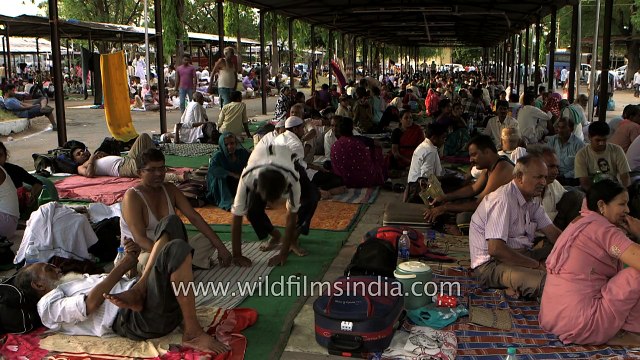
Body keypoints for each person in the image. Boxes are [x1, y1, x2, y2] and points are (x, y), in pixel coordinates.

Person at [15, 237, 229, 353]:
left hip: (148, 303)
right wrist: (124, 265)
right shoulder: (46, 305)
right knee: (175, 248)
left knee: (171, 224)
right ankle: (192, 332)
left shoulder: (72, 281)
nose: (55, 267)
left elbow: (114, 286)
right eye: (47, 268)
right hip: (136, 320)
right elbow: (89, 305)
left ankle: (139, 289)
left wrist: (131, 264)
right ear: (38, 285)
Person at [539, 179, 640, 347]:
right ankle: (628, 332)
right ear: (601, 205)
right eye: (622, 204)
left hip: (554, 319)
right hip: (583, 324)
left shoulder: (581, 220)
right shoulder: (603, 230)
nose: (627, 210)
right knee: (636, 273)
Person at [120, 148, 232, 270]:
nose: (158, 174)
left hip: (171, 247)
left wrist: (221, 248)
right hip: (144, 251)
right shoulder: (132, 196)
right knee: (148, 261)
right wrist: (169, 255)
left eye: (161, 168)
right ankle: (182, 265)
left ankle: (177, 266)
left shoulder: (170, 189)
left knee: (209, 238)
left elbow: (194, 218)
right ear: (139, 172)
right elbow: (140, 239)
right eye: (152, 170)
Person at [469, 155, 562, 299]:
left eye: (544, 177)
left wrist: (579, 252)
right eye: (538, 177)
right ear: (519, 177)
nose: (543, 182)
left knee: (560, 245)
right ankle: (519, 281)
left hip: (519, 254)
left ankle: (520, 281)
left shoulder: (532, 199)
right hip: (491, 265)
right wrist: (535, 265)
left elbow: (554, 234)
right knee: (548, 283)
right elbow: (495, 249)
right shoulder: (502, 199)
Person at [230, 142, 319, 265]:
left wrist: (282, 254)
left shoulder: (293, 178)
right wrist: (237, 255)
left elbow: (291, 216)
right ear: (256, 188)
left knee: (311, 199)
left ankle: (292, 240)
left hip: (289, 161)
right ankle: (276, 235)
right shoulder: (247, 177)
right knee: (252, 211)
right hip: (260, 163)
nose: (272, 205)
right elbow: (236, 215)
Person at [424, 135, 515, 224]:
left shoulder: (502, 167)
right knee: (453, 202)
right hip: (496, 209)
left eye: (474, 155)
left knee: (463, 218)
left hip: (510, 218)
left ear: (487, 152)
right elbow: (473, 189)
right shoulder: (490, 167)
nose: (471, 160)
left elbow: (480, 203)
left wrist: (445, 207)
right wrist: (445, 197)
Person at [330, 116, 386, 188]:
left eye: (336, 126)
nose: (334, 128)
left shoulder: (335, 146)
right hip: (364, 180)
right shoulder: (358, 144)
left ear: (340, 128)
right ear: (352, 128)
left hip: (344, 181)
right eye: (332, 125)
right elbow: (367, 162)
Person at [575, 121, 630, 191]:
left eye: (604, 140)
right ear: (589, 137)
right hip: (592, 191)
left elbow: (625, 176)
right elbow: (584, 182)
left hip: (613, 189)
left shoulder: (617, 150)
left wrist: (625, 191)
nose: (601, 143)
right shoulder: (581, 155)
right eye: (598, 140)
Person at [206, 132, 249, 211]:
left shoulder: (242, 153)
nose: (230, 146)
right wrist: (231, 174)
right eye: (226, 145)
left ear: (236, 143)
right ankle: (228, 203)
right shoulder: (218, 156)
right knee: (219, 177)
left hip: (238, 182)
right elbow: (213, 170)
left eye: (232, 143)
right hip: (221, 187)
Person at [405, 123, 448, 203]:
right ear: (434, 138)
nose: (444, 141)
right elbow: (425, 176)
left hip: (413, 184)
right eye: (443, 138)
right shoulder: (430, 151)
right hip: (417, 188)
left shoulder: (424, 146)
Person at [0, 142, 43, 213]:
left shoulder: (15, 170)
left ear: (5, 156)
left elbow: (38, 183)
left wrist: (31, 196)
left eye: (0, 155)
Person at [545, 117, 585, 186]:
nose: (560, 130)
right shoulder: (553, 140)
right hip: (554, 175)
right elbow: (546, 157)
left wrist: (564, 176)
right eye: (559, 127)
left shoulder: (578, 145)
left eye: (563, 127)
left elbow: (581, 168)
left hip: (570, 179)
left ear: (571, 129)